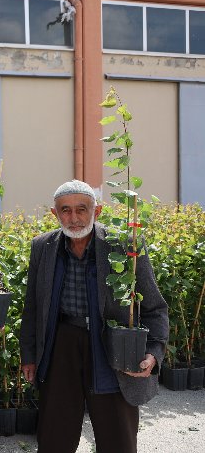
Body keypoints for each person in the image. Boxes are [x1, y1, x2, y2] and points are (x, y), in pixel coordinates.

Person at [20, 179, 169, 453]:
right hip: (61, 344)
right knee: (54, 436)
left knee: (118, 439)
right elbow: (33, 305)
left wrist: (153, 351)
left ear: (96, 211)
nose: (73, 218)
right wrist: (28, 354)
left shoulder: (124, 245)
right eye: (65, 210)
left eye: (81, 209)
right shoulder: (43, 246)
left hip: (113, 347)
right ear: (54, 213)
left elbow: (154, 307)